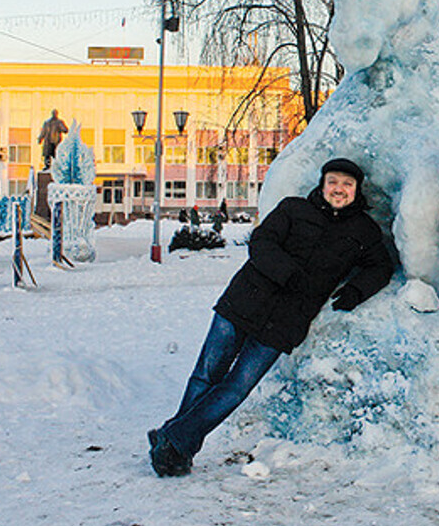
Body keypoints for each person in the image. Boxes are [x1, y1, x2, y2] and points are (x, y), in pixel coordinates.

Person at [148, 158, 394, 476]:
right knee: (206, 375)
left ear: (357, 190)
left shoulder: (363, 231)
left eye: (347, 184)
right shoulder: (293, 209)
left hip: (286, 322)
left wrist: (356, 291)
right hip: (244, 301)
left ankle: (171, 439)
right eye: (333, 181)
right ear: (322, 184)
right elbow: (262, 242)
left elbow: (382, 267)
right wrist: (288, 273)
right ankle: (177, 447)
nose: (339, 189)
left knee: (238, 387)